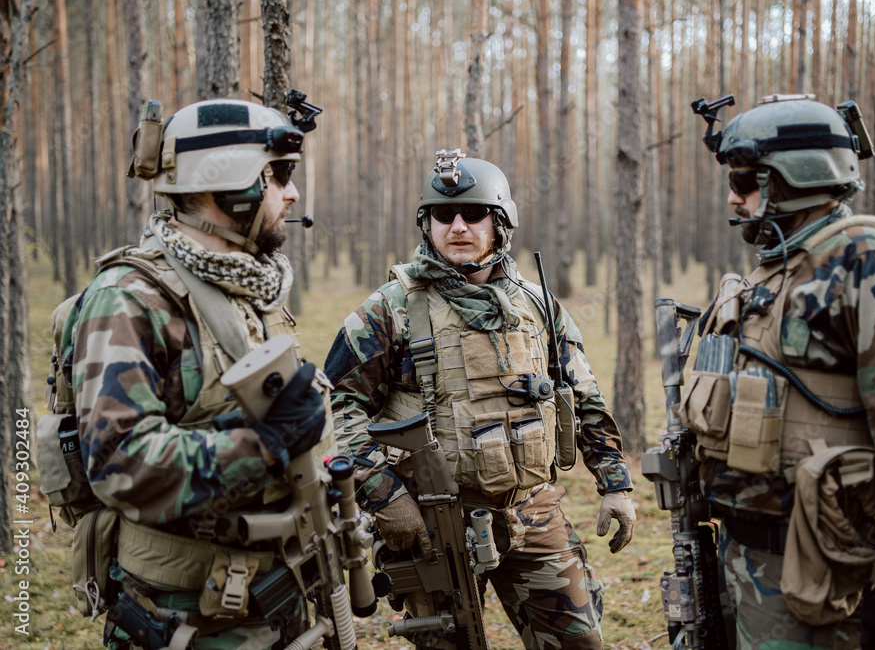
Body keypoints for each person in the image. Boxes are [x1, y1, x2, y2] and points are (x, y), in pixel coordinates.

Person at [684, 94, 875, 649]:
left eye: (746, 180)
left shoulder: (868, 262)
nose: (733, 196)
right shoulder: (780, 270)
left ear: (795, 177)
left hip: (825, 580)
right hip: (753, 564)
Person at [323, 150, 636, 649]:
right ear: (428, 225)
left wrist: (615, 482)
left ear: (501, 223)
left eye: (474, 214)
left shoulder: (536, 306)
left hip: (531, 512)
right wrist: (383, 494)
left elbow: (583, 395)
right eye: (444, 216)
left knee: (579, 642)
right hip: (433, 524)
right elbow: (337, 407)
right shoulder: (390, 309)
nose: (458, 226)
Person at [69, 96, 335, 649]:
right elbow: (119, 462)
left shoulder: (248, 287)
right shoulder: (128, 299)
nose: (293, 193)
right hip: (183, 617)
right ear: (229, 181)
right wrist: (264, 446)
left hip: (269, 594)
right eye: (279, 175)